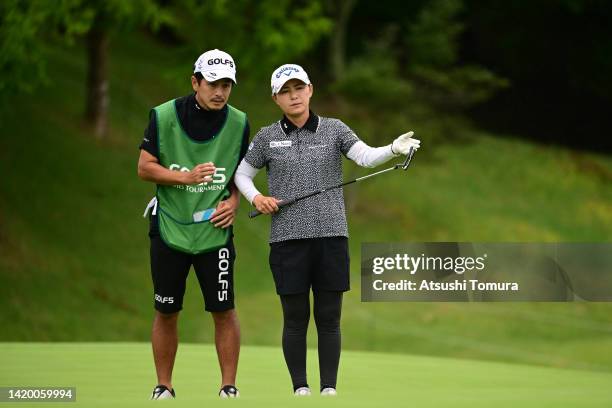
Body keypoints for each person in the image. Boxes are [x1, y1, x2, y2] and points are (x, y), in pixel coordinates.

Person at [234, 64, 420, 396]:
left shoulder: (334, 129)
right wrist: (257, 197)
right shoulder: (267, 137)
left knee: (329, 317)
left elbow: (363, 156)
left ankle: (328, 389)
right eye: (286, 91)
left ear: (310, 90)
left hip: (331, 236)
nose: (294, 96)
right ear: (276, 98)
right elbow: (241, 175)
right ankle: (300, 389)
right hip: (287, 239)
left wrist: (392, 149)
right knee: (294, 318)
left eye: (299, 88)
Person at [137, 49, 249, 399]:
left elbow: (240, 174)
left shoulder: (239, 122)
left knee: (224, 309)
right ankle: (164, 386)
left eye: (227, 85)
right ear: (195, 82)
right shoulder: (164, 115)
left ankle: (228, 386)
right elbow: (144, 167)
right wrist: (182, 179)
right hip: (170, 228)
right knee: (166, 309)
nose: (220, 91)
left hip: (214, 232)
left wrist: (233, 201)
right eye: (213, 84)